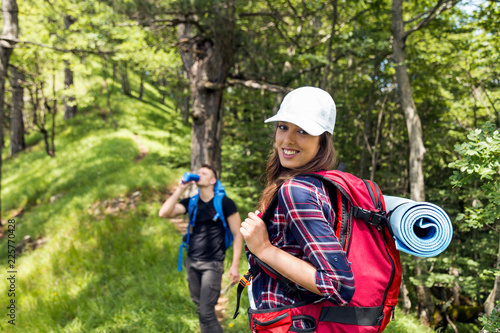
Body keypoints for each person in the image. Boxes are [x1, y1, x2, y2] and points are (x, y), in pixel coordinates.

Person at [240, 86, 355, 330]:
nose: (288, 139)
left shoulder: (298, 191)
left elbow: (338, 284)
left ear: (322, 139)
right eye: (283, 127)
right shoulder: (322, 184)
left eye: (302, 131)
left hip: (292, 323)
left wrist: (263, 248)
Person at [159, 164, 243, 333]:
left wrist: (234, 266)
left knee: (206, 312)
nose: (199, 175)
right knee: (201, 310)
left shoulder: (225, 203)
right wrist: (180, 189)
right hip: (192, 262)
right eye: (198, 173)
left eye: (204, 173)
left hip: (212, 264)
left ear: (213, 180)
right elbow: (164, 213)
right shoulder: (192, 202)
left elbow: (238, 234)